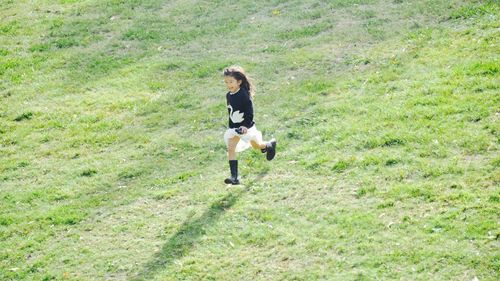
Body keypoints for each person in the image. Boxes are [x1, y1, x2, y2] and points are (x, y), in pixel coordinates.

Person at [223, 66, 276, 185]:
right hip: (235, 128)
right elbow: (231, 112)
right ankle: (234, 177)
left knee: (257, 146)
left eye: (231, 82)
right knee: (230, 148)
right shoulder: (229, 95)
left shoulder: (243, 95)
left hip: (247, 128)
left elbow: (249, 112)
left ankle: (268, 145)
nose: (228, 84)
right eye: (226, 82)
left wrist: (245, 126)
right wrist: (232, 128)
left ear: (239, 82)